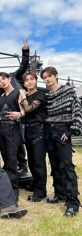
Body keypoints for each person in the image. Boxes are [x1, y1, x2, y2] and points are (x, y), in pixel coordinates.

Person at [40, 66, 82, 217]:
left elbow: (77, 109)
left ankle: (72, 204)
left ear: (56, 75)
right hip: (50, 131)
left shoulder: (68, 90)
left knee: (67, 167)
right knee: (55, 165)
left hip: (63, 130)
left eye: (49, 76)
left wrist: (71, 131)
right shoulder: (47, 96)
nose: (47, 79)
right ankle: (60, 194)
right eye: (44, 77)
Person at [0, 38, 29, 171]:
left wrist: (25, 51)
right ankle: (12, 166)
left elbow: (23, 66)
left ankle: (23, 165)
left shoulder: (10, 77)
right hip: (7, 118)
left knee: (19, 142)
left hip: (20, 111)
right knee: (10, 144)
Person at [0, 72, 25, 199]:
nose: (1, 82)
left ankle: (14, 190)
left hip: (13, 128)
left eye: (3, 79)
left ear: (9, 79)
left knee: (12, 159)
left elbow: (24, 110)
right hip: (1, 128)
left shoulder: (18, 92)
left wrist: (19, 114)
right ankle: (7, 186)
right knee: (5, 158)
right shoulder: (1, 96)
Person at [19, 72, 47, 202]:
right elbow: (23, 113)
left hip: (38, 129)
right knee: (31, 160)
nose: (29, 82)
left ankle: (40, 192)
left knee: (38, 162)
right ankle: (36, 184)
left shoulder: (40, 95)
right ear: (24, 83)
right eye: (26, 80)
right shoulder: (25, 96)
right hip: (27, 129)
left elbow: (29, 109)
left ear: (36, 81)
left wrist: (23, 96)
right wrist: (22, 99)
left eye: (32, 79)